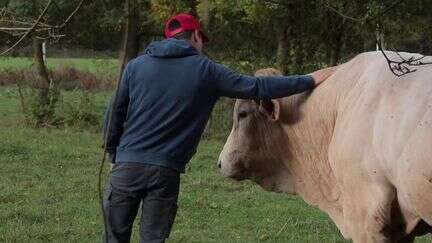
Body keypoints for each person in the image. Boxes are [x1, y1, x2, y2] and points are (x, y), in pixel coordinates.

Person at [102, 12, 336, 243]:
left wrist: (114, 153)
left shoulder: (135, 66)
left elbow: (115, 113)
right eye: (202, 39)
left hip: (125, 166)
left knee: (114, 237)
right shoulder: (206, 70)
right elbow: (257, 87)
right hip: (164, 172)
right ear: (195, 36)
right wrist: (309, 80)